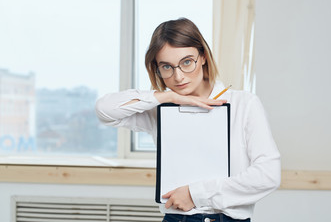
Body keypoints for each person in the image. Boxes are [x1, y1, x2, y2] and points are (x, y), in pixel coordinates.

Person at [96, 18, 281, 222]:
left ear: (202, 56)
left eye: (186, 62)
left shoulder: (244, 104)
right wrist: (168, 96)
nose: (178, 77)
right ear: (157, 68)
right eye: (167, 67)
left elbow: (268, 174)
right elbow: (105, 110)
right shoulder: (161, 110)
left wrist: (195, 194)